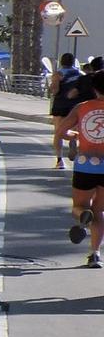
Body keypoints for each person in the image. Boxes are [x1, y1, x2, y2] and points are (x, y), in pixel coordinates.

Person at [54, 72, 104, 269]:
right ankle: (95, 254)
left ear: (94, 88)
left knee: (79, 207)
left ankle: (84, 214)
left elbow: (61, 132)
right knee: (99, 211)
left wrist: (74, 136)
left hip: (86, 164)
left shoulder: (82, 108)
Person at [50, 53, 84, 171]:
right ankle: (73, 140)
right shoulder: (80, 74)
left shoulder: (58, 74)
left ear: (61, 61)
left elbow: (55, 90)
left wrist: (52, 88)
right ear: (73, 62)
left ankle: (59, 160)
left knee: (58, 132)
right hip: (75, 105)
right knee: (74, 129)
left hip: (60, 105)